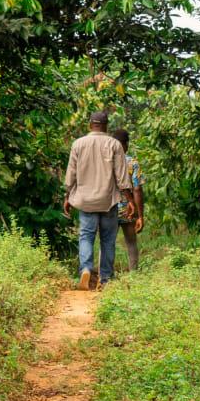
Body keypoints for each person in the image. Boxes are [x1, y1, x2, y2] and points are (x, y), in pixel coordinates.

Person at [64, 111, 135, 290]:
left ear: (90, 124)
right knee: (108, 239)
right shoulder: (114, 144)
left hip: (86, 200)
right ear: (106, 125)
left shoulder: (78, 144)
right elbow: (121, 177)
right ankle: (105, 279)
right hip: (108, 201)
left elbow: (70, 175)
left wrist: (67, 197)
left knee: (86, 236)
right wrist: (130, 200)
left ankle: (86, 269)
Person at [111, 128, 145, 271]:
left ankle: (104, 275)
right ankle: (133, 275)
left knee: (107, 243)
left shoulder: (106, 161)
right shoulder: (133, 163)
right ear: (126, 144)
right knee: (131, 243)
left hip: (109, 208)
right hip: (128, 211)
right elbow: (137, 189)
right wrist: (140, 215)